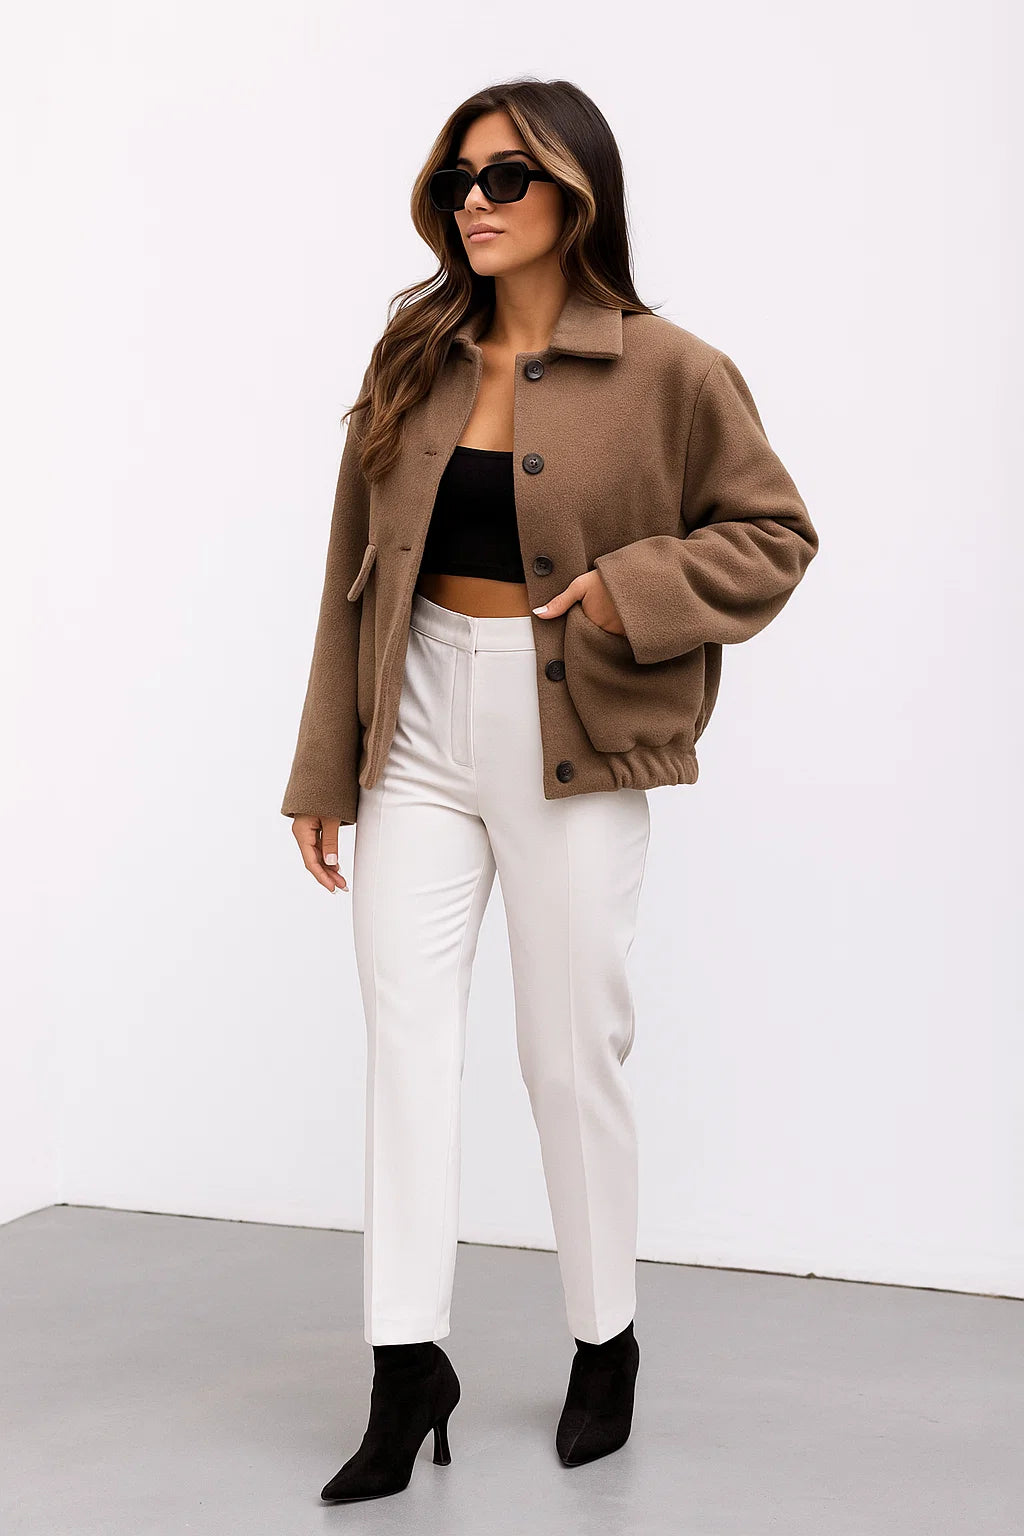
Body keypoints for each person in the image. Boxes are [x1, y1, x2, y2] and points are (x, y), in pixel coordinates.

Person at [280, 77, 819, 1503]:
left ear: (577, 194)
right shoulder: (415, 353)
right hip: (413, 725)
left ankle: (604, 1336)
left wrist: (633, 588)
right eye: (458, 178)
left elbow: (774, 535)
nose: (474, 200)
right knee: (406, 1042)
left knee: (570, 1051)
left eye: (506, 177)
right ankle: (406, 1366)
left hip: (566, 726)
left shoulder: (671, 370)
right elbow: (350, 574)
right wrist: (325, 764)